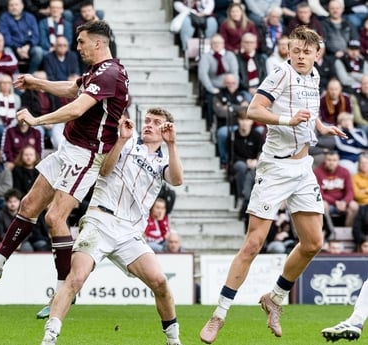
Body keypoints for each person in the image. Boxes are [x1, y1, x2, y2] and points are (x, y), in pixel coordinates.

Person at [0, 20, 129, 318]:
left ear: (98, 43)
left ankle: (64, 291)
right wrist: (38, 83)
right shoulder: (98, 72)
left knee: (55, 217)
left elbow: (77, 108)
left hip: (87, 155)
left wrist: (37, 120)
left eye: (81, 42)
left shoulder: (111, 73)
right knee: (28, 204)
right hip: (68, 150)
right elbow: (71, 89)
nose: (78, 47)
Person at [199, 26, 347, 344]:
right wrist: (286, 121)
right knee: (253, 244)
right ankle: (219, 315)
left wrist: (323, 126)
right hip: (275, 167)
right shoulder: (280, 73)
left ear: (317, 53)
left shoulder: (315, 75)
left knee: (312, 243)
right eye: (296, 50)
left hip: (303, 168)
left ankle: (274, 297)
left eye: (307, 51)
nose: (302, 55)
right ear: (289, 51)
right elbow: (253, 110)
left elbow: (310, 113)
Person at [41, 110, 183, 345]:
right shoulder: (127, 144)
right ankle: (49, 337)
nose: (149, 125)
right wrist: (121, 140)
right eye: (147, 121)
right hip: (100, 221)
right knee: (75, 279)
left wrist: (172, 145)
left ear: (166, 128)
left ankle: (173, 340)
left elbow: (177, 180)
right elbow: (104, 170)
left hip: (130, 232)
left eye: (156, 123)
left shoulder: (164, 160)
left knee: (160, 282)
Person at [0, 0, 44, 73]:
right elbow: (5, 36)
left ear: (22, 6)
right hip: (12, 47)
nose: (14, 7)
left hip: (28, 48)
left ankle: (30, 76)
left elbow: (35, 36)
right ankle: (17, 78)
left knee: (38, 51)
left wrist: (27, 46)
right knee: (7, 51)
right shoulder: (4, 18)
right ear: (8, 7)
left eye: (16, 5)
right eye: (11, 5)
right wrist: (17, 49)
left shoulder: (30, 17)